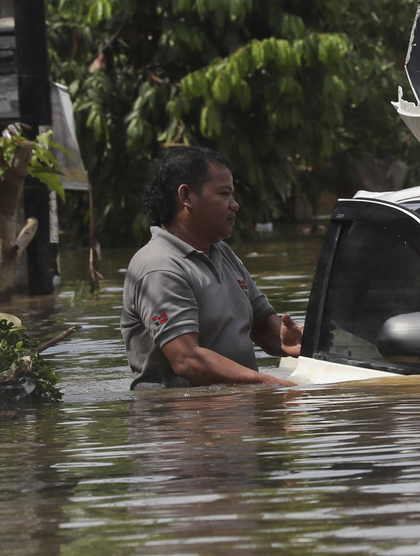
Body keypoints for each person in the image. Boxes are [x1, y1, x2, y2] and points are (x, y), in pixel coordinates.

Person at [122, 147, 300, 389]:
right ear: (186, 197)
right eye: (224, 194)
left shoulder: (221, 252)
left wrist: (286, 339)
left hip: (237, 411)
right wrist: (269, 383)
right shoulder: (159, 267)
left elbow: (261, 324)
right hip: (177, 419)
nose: (234, 205)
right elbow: (188, 360)